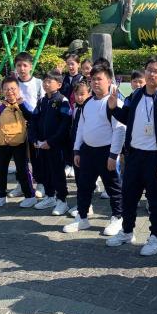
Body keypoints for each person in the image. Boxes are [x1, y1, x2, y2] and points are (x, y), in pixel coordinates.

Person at [104, 56, 157, 256]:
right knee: (129, 196)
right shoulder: (135, 95)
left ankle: (156, 237)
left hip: (154, 158)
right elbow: (125, 117)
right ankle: (127, 231)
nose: (151, 74)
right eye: (149, 70)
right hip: (134, 155)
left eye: (156, 71)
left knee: (155, 200)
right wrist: (113, 107)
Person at [64, 62, 125, 235]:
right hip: (87, 151)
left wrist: (113, 155)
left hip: (107, 152)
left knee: (113, 187)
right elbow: (81, 127)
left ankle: (118, 218)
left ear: (109, 81)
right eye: (93, 79)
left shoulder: (114, 102)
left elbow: (120, 130)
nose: (96, 82)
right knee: (84, 186)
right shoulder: (88, 103)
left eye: (99, 79)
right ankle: (82, 218)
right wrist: (77, 150)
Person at [27, 70, 72, 215]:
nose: (46, 84)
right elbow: (34, 120)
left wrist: (51, 142)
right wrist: (34, 138)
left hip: (56, 146)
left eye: (49, 81)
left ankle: (62, 201)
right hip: (41, 145)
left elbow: (65, 125)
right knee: (45, 171)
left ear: (59, 84)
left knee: (57, 173)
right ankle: (50, 196)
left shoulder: (62, 101)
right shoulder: (42, 101)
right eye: (44, 81)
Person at [0, 77, 36, 208]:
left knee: (22, 170)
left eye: (13, 88)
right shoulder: (0, 105)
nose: (10, 91)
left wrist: (20, 105)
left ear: (18, 89)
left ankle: (30, 196)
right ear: (2, 91)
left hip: (19, 142)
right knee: (0, 170)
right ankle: (1, 195)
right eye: (6, 89)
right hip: (2, 142)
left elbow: (31, 117)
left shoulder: (24, 104)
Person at [8, 52, 45, 199]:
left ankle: (41, 184)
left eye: (25, 65)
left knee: (36, 157)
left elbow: (42, 104)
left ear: (31, 66)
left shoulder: (38, 83)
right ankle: (21, 185)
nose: (22, 68)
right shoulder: (12, 83)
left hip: (34, 125)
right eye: (19, 65)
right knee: (19, 158)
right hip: (15, 125)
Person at [66, 80, 95, 218]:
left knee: (85, 180)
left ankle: (87, 206)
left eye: (82, 94)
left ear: (89, 93)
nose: (79, 97)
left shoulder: (91, 109)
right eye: (77, 94)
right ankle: (81, 204)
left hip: (87, 148)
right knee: (78, 178)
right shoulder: (76, 108)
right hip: (76, 148)